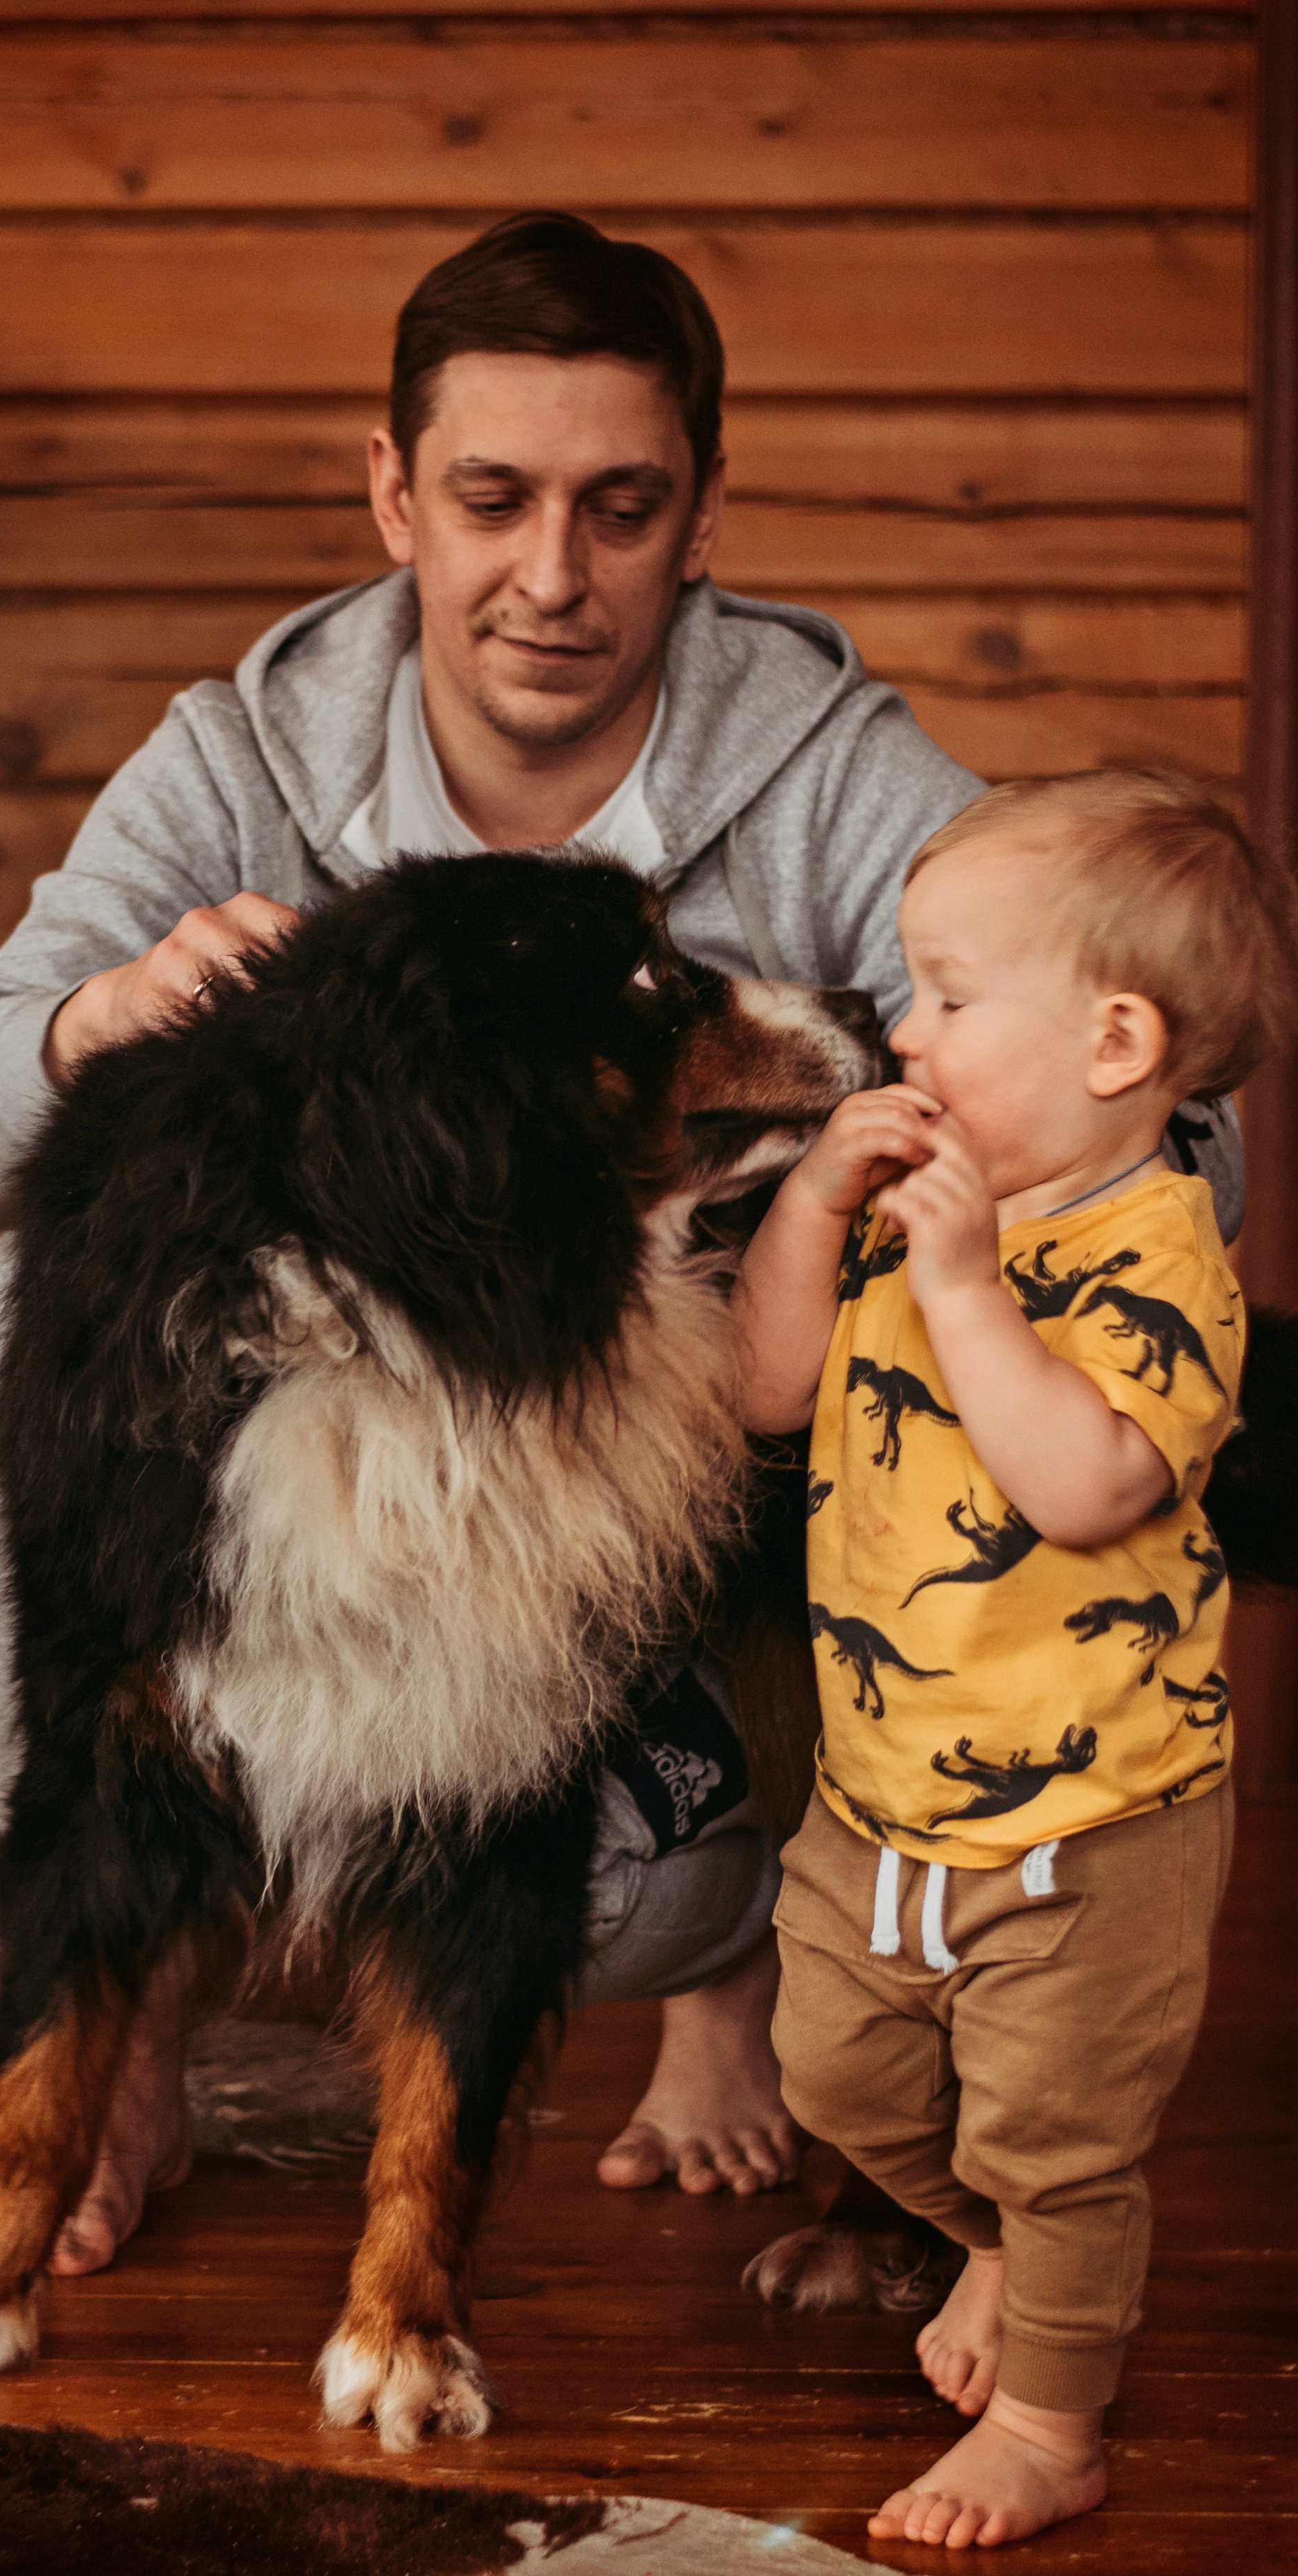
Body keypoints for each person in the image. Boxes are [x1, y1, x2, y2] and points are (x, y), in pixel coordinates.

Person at [0, 214, 1245, 2279]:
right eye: (491, 499)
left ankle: (759, 1964)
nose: (550, 575)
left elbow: (1169, 1116)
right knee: (17, 1298)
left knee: (591, 1901)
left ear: (701, 515)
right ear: (392, 494)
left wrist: (863, 1230)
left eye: (619, 508)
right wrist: (103, 1008)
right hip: (361, 1456)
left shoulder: (833, 773)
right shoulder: (238, 759)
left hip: (694, 1474)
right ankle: (118, 1992)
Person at [730, 770, 1297, 2547]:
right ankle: (993, 2243)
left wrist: (968, 1286)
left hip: (1092, 1813)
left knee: (1060, 2134)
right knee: (831, 2074)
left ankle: (1052, 2421)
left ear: (1115, 1042)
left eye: (948, 996)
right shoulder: (912, 1208)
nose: (902, 1031)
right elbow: (762, 1394)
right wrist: (813, 1208)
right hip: (878, 1787)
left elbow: (1087, 1486)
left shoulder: (1155, 1259)